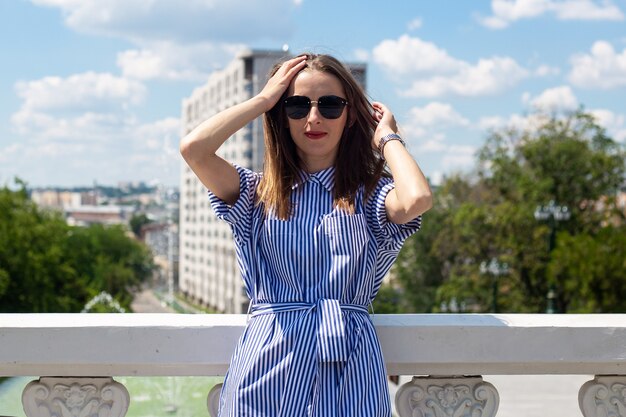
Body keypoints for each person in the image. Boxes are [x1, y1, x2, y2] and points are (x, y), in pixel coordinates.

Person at [180, 53, 432, 417]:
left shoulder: (371, 196)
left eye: (330, 105)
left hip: (349, 367)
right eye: (297, 106)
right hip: (267, 370)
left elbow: (417, 198)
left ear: (349, 116)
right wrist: (264, 101)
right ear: (283, 117)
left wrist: (387, 136)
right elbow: (194, 149)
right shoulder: (257, 194)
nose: (313, 118)